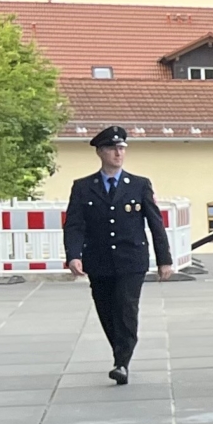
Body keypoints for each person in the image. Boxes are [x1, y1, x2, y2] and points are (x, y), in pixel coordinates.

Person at [63, 125, 174, 384]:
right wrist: (73, 255)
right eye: (112, 148)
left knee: (126, 307)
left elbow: (155, 223)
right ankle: (119, 352)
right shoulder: (82, 187)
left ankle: (122, 362)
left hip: (131, 259)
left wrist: (164, 260)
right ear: (100, 152)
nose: (118, 153)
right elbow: (75, 224)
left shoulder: (139, 185)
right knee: (106, 310)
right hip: (99, 259)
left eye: (121, 148)